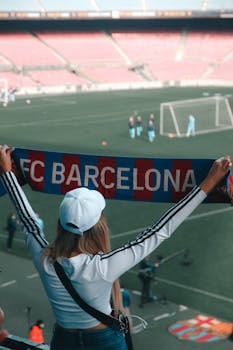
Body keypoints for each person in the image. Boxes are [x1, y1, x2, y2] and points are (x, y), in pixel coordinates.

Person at [0, 144, 231, 350]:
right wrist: (209, 182)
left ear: (60, 223)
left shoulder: (45, 259)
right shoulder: (103, 266)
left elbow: (26, 216)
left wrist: (8, 173)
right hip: (104, 342)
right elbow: (162, 229)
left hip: (63, 341)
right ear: (97, 227)